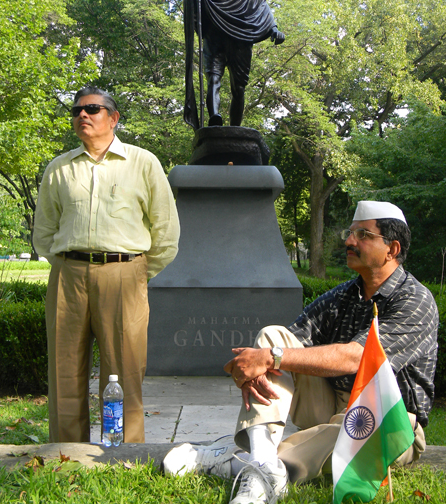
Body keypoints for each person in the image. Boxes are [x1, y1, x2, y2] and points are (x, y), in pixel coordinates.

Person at [163, 201, 438, 504]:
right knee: (272, 337)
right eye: (350, 233)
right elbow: (288, 340)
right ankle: (265, 464)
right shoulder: (344, 295)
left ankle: (239, 461)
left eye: (362, 234)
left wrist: (269, 358)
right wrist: (261, 361)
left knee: (350, 433)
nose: (349, 241)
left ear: (392, 248)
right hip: (329, 402)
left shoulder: (415, 301)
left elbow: (356, 356)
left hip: (391, 419)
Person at [33, 87, 180, 444]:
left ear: (113, 118)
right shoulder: (59, 169)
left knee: (124, 371)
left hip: (124, 275)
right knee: (64, 369)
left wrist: (137, 272)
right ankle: (67, 452)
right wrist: (70, 265)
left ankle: (123, 452)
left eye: (93, 109)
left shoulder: (143, 163)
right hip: (69, 276)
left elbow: (165, 229)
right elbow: (44, 232)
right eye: (77, 110)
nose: (82, 115)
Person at [184, 0, 285, 129]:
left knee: (239, 87)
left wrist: (273, 27)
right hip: (213, 32)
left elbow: (260, 0)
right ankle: (215, 121)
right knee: (213, 78)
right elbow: (193, 0)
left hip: (240, 35)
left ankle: (236, 132)